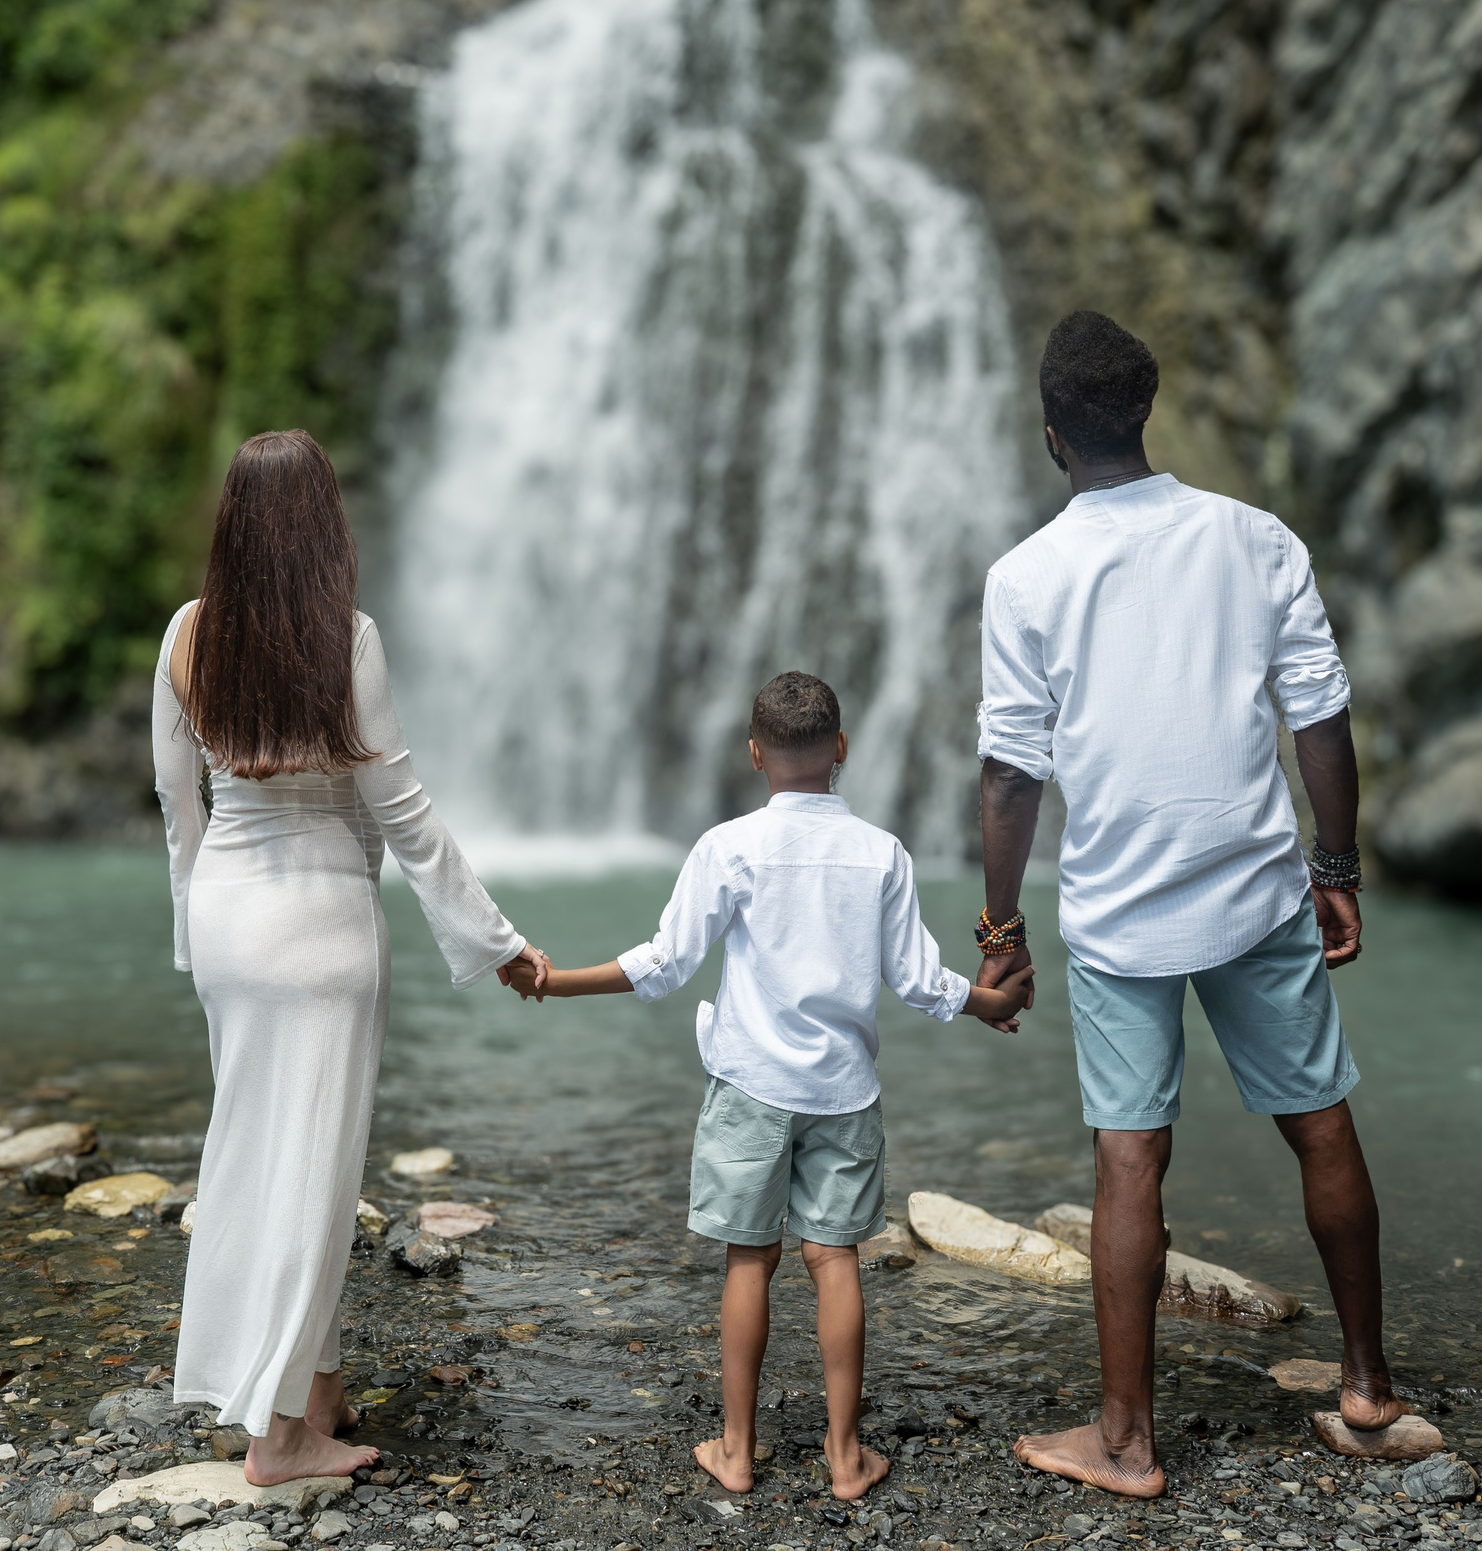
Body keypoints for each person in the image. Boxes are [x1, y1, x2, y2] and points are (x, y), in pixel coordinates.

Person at [975, 312, 1399, 1499]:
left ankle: (1126, 1440)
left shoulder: (1026, 574)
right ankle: (1367, 1383)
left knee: (1128, 1158)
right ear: (1144, 411)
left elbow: (1011, 772)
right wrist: (1335, 867)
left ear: (1052, 432)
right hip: (1258, 886)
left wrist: (1000, 928)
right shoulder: (1255, 537)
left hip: (1118, 913)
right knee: (1319, 1120)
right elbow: (1318, 711)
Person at [506, 672, 1030, 1502]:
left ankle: (737, 1450)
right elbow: (916, 979)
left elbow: (666, 962)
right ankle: (847, 1457)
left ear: (755, 754)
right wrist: (990, 1002)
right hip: (844, 1091)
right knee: (835, 1259)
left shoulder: (729, 847)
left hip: (750, 1083)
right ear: (843, 748)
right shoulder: (883, 853)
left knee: (749, 1259)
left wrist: (556, 982)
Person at [152, 429, 550, 1483]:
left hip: (230, 923)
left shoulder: (187, 634)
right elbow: (400, 813)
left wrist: (193, 932)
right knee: (313, 1174)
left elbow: (178, 803)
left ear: (233, 524)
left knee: (257, 1155)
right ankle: (277, 1439)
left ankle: (312, 1392)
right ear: (323, 525)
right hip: (321, 930)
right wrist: (497, 941)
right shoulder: (347, 639)